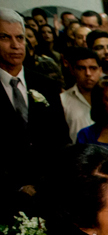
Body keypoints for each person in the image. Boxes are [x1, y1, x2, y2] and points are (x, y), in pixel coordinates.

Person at [0, 8, 68, 220]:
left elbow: (61, 138)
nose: (15, 45)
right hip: (5, 199)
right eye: (5, 37)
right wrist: (16, 188)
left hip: (50, 194)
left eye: (20, 37)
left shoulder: (45, 84)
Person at [61, 47, 108, 140]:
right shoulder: (62, 101)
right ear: (72, 71)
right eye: (81, 68)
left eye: (93, 68)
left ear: (100, 71)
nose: (88, 73)